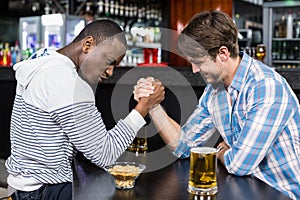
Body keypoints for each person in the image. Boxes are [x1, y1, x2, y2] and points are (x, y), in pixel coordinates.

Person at [133, 10, 300, 199]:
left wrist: (220, 150)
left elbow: (240, 165)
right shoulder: (215, 91)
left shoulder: (266, 87)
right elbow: (184, 146)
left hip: (284, 193)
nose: (195, 70)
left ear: (223, 53)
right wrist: (153, 105)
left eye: (198, 62)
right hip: (247, 190)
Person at [5, 19, 164, 200]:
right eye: (108, 61)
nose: (110, 72)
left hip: (20, 185)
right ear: (88, 44)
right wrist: (143, 107)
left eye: (115, 66)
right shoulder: (67, 82)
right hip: (41, 191)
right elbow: (106, 156)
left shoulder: (44, 58)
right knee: (129, 192)